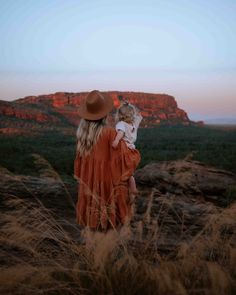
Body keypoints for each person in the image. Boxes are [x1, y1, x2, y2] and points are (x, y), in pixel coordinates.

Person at [74, 90, 141, 231]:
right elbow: (126, 159)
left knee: (93, 231)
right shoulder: (110, 133)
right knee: (110, 231)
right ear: (104, 113)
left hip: (89, 185)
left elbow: (80, 167)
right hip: (108, 185)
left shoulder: (82, 136)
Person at [112, 101, 142, 201]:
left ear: (120, 115)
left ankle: (128, 190)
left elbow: (121, 133)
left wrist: (116, 140)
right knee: (130, 174)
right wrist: (129, 106)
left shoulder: (121, 124)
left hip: (124, 152)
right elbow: (139, 116)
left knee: (123, 173)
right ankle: (132, 192)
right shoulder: (134, 124)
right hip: (133, 152)